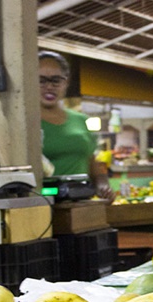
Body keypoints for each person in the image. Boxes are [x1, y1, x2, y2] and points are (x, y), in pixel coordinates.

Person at [38, 51, 113, 200]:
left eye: (56, 80)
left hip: (80, 207)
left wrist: (102, 184)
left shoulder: (80, 120)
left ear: (66, 82)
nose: (49, 86)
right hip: (43, 207)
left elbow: (93, 165)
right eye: (42, 80)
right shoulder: (25, 122)